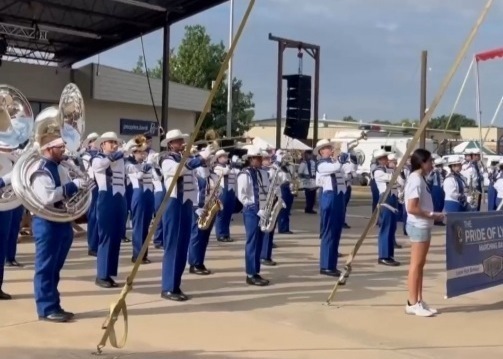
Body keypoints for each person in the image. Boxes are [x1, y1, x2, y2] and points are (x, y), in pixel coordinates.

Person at [31, 131, 90, 322]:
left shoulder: (60, 166)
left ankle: (54, 304)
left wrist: (79, 184)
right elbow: (47, 197)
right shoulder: (41, 169)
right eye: (60, 147)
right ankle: (46, 309)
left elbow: (67, 189)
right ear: (49, 149)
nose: (64, 151)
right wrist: (73, 186)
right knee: (46, 268)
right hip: (47, 222)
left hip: (61, 221)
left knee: (55, 267)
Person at [160, 129, 212, 301]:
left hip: (187, 203)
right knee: (173, 245)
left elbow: (203, 175)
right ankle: (168, 286)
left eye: (182, 140)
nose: (181, 143)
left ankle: (175, 284)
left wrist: (205, 160)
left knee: (182, 245)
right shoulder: (165, 159)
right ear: (170, 144)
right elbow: (178, 171)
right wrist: (199, 158)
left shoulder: (189, 158)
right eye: (177, 141)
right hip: (174, 202)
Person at [404, 148, 444, 317]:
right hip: (419, 224)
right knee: (416, 264)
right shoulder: (415, 180)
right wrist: (431, 215)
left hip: (424, 224)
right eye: (429, 162)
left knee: (420, 265)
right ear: (422, 162)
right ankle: (412, 302)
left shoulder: (421, 178)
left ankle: (419, 299)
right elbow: (412, 207)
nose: (432, 165)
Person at [91, 131, 127, 288]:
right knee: (105, 236)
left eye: (115, 142)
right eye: (110, 142)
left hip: (120, 198)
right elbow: (102, 165)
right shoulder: (97, 159)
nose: (113, 145)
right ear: (102, 145)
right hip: (106, 198)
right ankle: (101, 275)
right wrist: (121, 152)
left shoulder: (120, 158)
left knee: (116, 237)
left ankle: (109, 273)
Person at [237, 146, 272, 286]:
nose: (260, 160)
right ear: (251, 159)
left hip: (264, 209)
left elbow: (267, 190)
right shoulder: (244, 174)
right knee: (252, 241)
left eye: (260, 158)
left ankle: (256, 271)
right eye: (257, 158)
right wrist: (255, 209)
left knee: (260, 242)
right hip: (252, 211)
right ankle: (250, 273)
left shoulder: (264, 173)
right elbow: (242, 195)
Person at [315, 139, 346, 277]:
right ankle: (326, 265)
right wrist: (340, 160)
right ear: (322, 151)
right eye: (328, 148)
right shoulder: (321, 164)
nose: (331, 150)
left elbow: (345, 172)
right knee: (329, 231)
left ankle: (332, 264)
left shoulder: (333, 163)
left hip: (338, 197)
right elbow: (335, 168)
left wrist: (344, 158)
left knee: (336, 231)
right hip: (329, 196)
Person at [373, 149, 400, 266]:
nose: (386, 160)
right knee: (386, 228)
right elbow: (392, 178)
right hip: (385, 199)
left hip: (393, 199)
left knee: (392, 228)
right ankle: (383, 255)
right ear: (379, 160)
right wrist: (396, 170)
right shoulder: (378, 171)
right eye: (383, 158)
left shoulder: (390, 170)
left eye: (385, 157)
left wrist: (396, 170)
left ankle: (390, 255)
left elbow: (401, 182)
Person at [81, 132, 100, 256]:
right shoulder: (86, 155)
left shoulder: (99, 155)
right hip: (93, 185)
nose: (96, 143)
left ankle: (97, 243)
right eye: (94, 141)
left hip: (101, 186)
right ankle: (92, 245)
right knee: (93, 216)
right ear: (89, 143)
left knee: (99, 216)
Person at [213, 149, 236, 242]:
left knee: (228, 214)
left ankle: (226, 234)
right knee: (221, 214)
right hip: (222, 192)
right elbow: (225, 172)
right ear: (218, 158)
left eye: (226, 156)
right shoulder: (217, 167)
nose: (225, 158)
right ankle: (220, 234)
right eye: (223, 156)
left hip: (230, 191)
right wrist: (231, 166)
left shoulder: (228, 167)